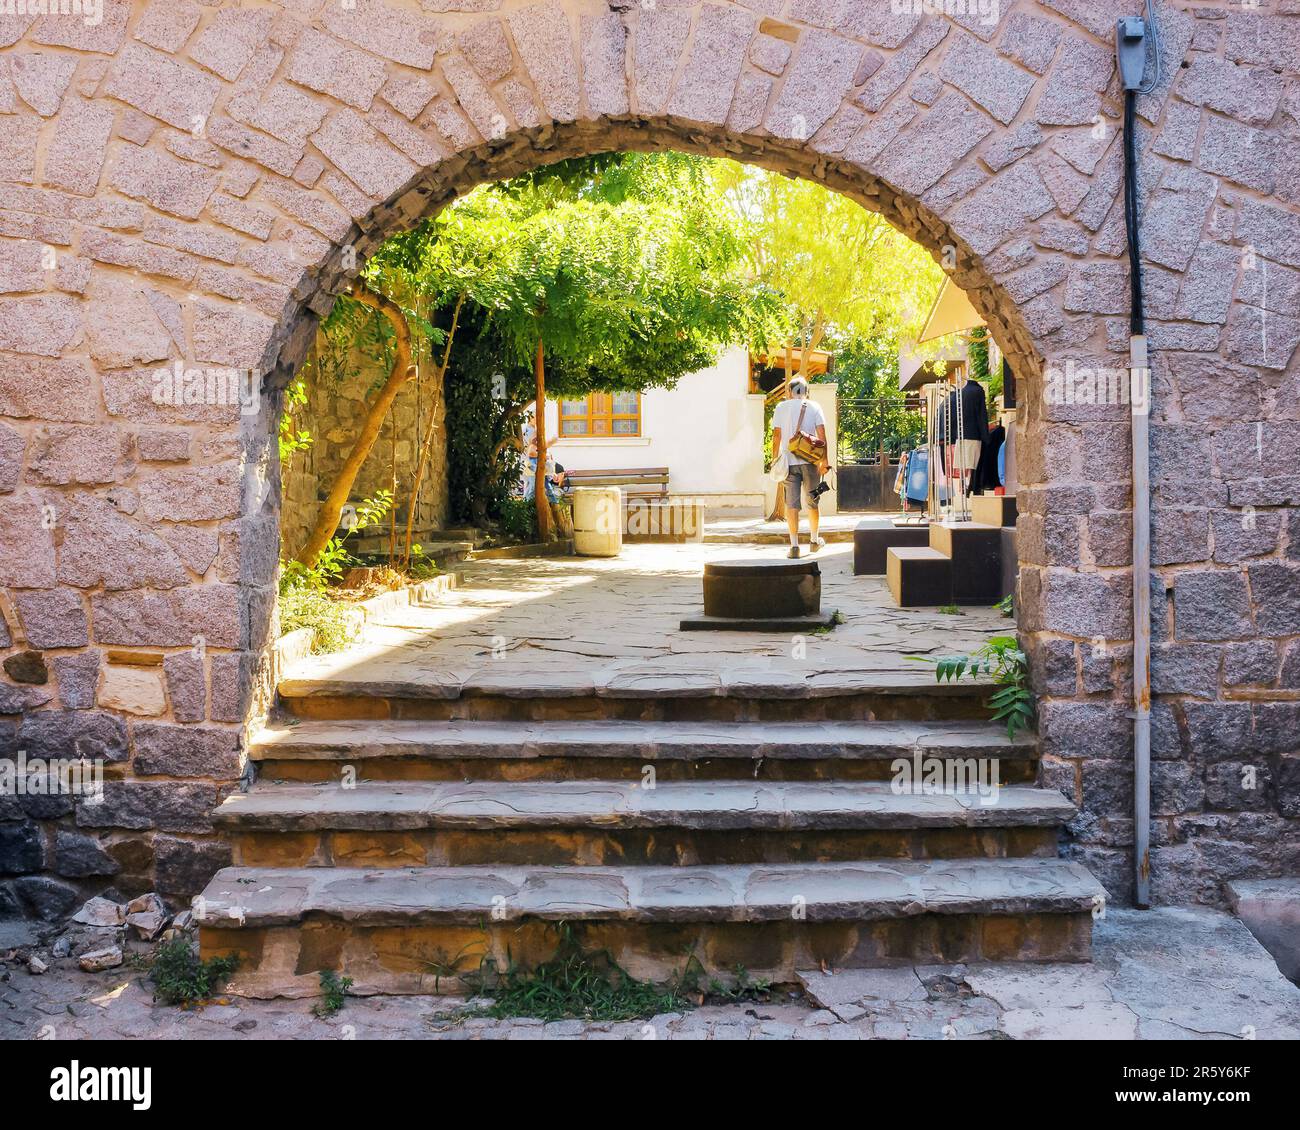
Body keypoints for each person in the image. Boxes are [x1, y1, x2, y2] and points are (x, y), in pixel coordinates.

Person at [769, 376, 828, 559]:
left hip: (788, 462)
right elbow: (822, 436)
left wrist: (774, 459)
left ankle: (794, 546)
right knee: (813, 501)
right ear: (806, 391)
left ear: (789, 391)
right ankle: (814, 541)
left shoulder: (781, 407)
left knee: (792, 505)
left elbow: (776, 436)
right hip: (810, 462)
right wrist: (824, 460)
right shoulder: (815, 406)